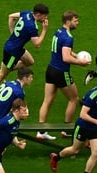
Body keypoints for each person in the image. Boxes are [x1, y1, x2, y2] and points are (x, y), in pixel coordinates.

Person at [48, 75, 97, 173]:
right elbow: (82, 115)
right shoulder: (92, 96)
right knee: (75, 150)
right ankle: (56, 157)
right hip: (83, 127)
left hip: (95, 128)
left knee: (96, 153)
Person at [37, 10, 91, 140]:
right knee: (74, 99)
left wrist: (76, 55)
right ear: (68, 21)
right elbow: (65, 57)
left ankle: (41, 131)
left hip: (51, 69)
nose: (77, 23)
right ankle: (66, 130)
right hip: (61, 72)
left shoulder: (58, 31)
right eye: (75, 20)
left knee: (47, 100)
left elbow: (64, 51)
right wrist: (80, 62)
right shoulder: (68, 37)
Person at [0, 3, 49, 85]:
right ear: (38, 15)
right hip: (12, 53)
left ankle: (4, 69)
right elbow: (37, 44)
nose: (46, 18)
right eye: (44, 16)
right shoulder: (32, 26)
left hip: (17, 48)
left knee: (30, 62)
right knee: (2, 76)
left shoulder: (27, 13)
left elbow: (11, 17)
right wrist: (44, 29)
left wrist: (12, 33)